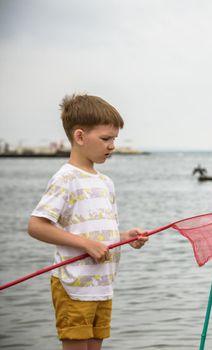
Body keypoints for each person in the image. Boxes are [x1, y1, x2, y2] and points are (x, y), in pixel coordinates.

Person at [27, 94, 148, 350]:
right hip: (74, 285)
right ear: (80, 137)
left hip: (102, 286)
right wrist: (85, 244)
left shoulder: (105, 182)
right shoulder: (66, 178)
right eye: (106, 138)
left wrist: (125, 237)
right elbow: (37, 225)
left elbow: (99, 233)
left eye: (114, 138)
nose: (112, 145)